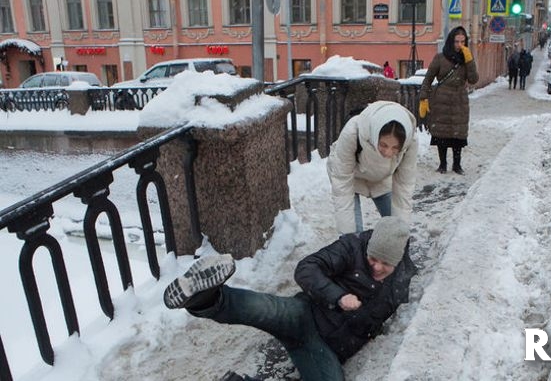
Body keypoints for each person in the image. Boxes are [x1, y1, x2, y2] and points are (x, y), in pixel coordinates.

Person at [163, 217, 416, 381]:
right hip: (304, 315)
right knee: (262, 309)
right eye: (373, 258)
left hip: (325, 349)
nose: (378, 267)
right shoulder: (351, 248)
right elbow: (306, 269)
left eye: (386, 263)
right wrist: (338, 296)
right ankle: (203, 297)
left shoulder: (401, 282)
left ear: (397, 260)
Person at [327, 100, 417, 234]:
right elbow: (342, 185)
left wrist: (400, 237)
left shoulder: (410, 142)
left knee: (396, 229)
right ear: (375, 135)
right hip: (351, 177)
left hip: (381, 178)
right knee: (353, 234)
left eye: (395, 148)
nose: (388, 153)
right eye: (384, 145)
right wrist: (350, 240)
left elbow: (404, 187)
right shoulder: (353, 131)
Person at [418, 26, 479, 175]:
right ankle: (443, 164)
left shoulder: (466, 59)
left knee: (458, 135)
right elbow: (428, 78)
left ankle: (457, 165)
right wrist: (423, 98)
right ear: (451, 41)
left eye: (463, 42)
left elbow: (473, 80)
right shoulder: (440, 57)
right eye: (457, 41)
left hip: (459, 99)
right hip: (442, 99)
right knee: (442, 134)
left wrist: (469, 60)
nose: (459, 45)